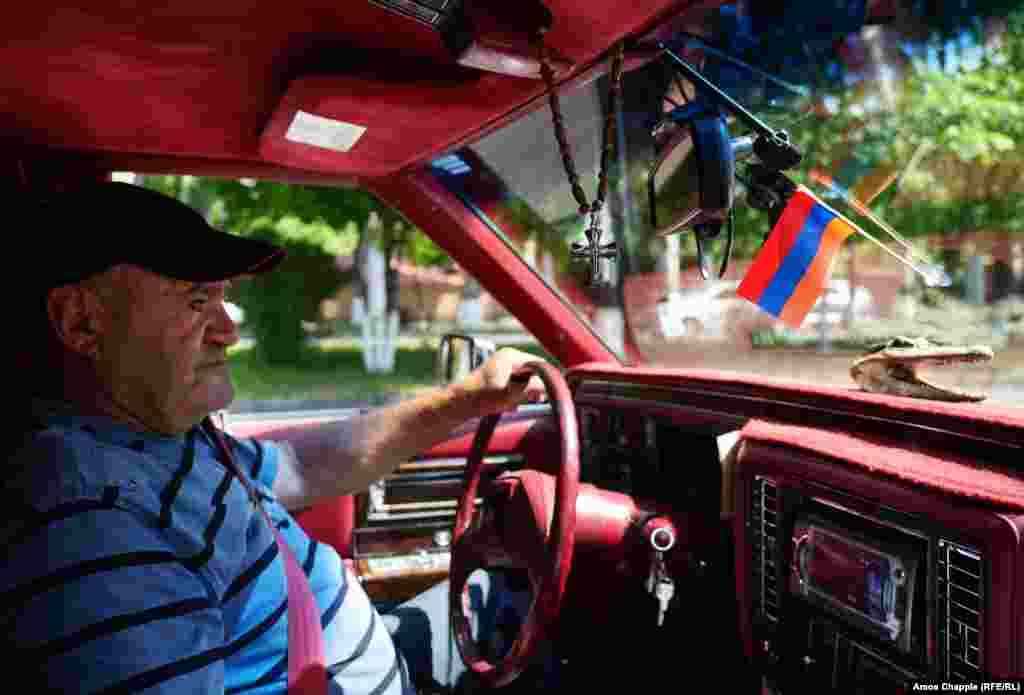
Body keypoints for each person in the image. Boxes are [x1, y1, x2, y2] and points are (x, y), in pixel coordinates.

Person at [5, 182, 549, 694]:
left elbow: (302, 467)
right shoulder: (93, 524)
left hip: (366, 652)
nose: (229, 330)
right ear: (80, 322)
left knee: (519, 598)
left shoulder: (161, 435)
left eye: (221, 298)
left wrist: (469, 398)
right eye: (197, 301)